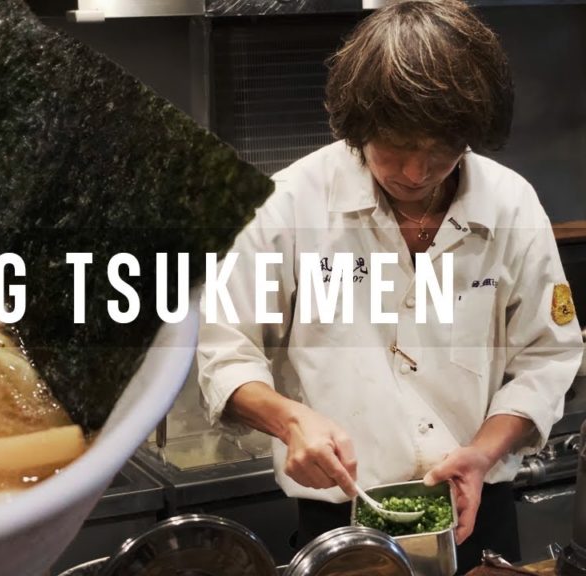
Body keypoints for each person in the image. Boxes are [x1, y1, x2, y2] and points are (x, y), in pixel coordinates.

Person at [195, 0, 584, 571]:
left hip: (475, 507)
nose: (415, 173)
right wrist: (290, 420)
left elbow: (550, 355)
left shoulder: (510, 204)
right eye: (394, 149)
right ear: (355, 129)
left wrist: (481, 453)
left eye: (441, 152)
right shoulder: (289, 204)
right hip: (341, 523)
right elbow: (223, 349)